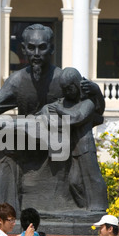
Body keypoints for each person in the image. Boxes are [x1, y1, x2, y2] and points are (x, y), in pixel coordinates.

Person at [0, 24, 105, 218]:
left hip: (60, 142)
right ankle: (0, 211)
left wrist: (96, 93)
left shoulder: (63, 78)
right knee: (3, 139)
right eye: (31, 48)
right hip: (28, 139)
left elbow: (93, 110)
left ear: (51, 49)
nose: (36, 53)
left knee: (8, 133)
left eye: (42, 47)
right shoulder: (17, 80)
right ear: (23, 49)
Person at [40, 67, 108, 211]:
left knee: (93, 177)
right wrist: (47, 111)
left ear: (77, 85)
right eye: (64, 89)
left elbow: (75, 117)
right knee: (74, 182)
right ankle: (85, 207)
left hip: (85, 148)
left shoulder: (88, 103)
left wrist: (59, 110)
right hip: (74, 149)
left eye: (69, 88)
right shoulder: (67, 102)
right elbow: (47, 108)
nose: (66, 92)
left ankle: (98, 207)